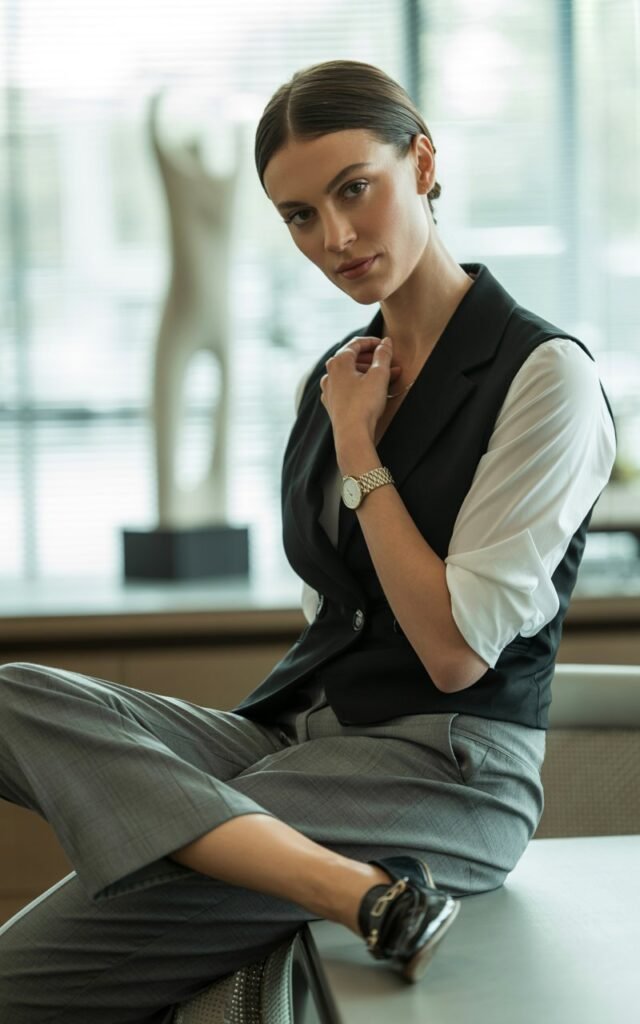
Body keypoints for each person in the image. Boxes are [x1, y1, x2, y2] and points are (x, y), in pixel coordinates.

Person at [0, 59, 616, 1023]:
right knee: (11, 695)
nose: (333, 238)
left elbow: (454, 654)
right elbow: (334, 615)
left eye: (352, 190)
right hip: (299, 745)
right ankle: (356, 892)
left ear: (421, 164)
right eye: (298, 215)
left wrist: (361, 445)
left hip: (443, 771)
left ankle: (354, 879)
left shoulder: (544, 379)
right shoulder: (333, 378)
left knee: (19, 980)